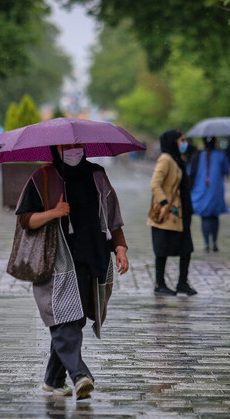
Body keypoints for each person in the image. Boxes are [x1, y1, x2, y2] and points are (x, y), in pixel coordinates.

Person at [14, 144, 129, 399]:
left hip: (94, 258)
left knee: (75, 319)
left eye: (77, 144)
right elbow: (25, 220)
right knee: (64, 318)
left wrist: (120, 247)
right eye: (67, 145)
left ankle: (53, 382)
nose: (73, 149)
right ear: (55, 147)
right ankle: (80, 375)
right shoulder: (42, 177)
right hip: (57, 263)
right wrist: (54, 213)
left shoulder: (98, 175)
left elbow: (113, 219)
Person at [147, 129, 197, 296]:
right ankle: (159, 283)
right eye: (181, 140)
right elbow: (155, 183)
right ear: (172, 141)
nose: (184, 144)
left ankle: (182, 282)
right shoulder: (166, 159)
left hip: (181, 213)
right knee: (162, 249)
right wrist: (163, 202)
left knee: (186, 249)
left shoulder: (177, 159)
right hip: (168, 213)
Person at [189, 136, 229, 252]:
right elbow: (226, 170)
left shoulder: (197, 156)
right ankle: (214, 242)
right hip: (216, 190)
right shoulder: (221, 155)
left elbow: (190, 171)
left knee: (205, 217)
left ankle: (207, 243)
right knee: (214, 216)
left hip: (201, 190)